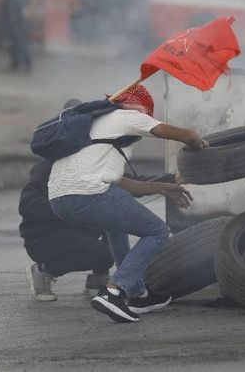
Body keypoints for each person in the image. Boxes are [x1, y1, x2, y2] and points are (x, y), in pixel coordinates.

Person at [48, 85, 208, 323]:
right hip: (88, 195)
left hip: (60, 200)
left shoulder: (90, 126)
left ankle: (136, 293)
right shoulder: (126, 116)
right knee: (157, 231)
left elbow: (122, 185)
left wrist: (163, 187)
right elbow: (187, 135)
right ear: (140, 110)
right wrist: (199, 145)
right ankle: (114, 292)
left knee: (116, 222)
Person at [20, 142, 114, 301]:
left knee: (115, 222)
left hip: (76, 232)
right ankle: (43, 271)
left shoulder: (92, 168)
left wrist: (165, 182)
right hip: (44, 237)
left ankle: (98, 279)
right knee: (101, 251)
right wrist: (66, 207)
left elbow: (126, 183)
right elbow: (27, 205)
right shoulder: (47, 169)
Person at [0, 0, 32, 72]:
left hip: (15, 23)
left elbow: (6, 10)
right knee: (20, 43)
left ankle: (20, 64)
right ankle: (22, 63)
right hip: (20, 23)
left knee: (18, 44)